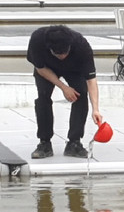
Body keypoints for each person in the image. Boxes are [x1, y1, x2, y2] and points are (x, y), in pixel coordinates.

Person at [27, 25, 103, 159]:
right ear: (49, 48)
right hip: (47, 69)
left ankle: (74, 143)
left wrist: (95, 109)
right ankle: (44, 143)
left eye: (64, 53)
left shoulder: (81, 45)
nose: (61, 57)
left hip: (73, 69)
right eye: (57, 54)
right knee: (43, 98)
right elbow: (40, 68)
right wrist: (63, 87)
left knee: (81, 95)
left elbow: (91, 80)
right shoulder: (37, 39)